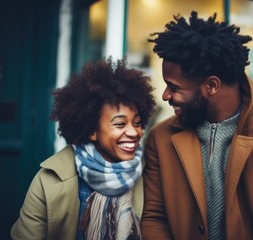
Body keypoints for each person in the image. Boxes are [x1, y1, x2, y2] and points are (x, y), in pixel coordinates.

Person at [141, 11, 253, 240]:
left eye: (174, 87)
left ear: (212, 85)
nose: (166, 95)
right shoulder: (160, 138)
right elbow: (154, 218)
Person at [11, 58, 156, 240]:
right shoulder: (49, 180)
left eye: (137, 123)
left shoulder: (150, 176)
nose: (134, 132)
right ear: (92, 131)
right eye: (120, 124)